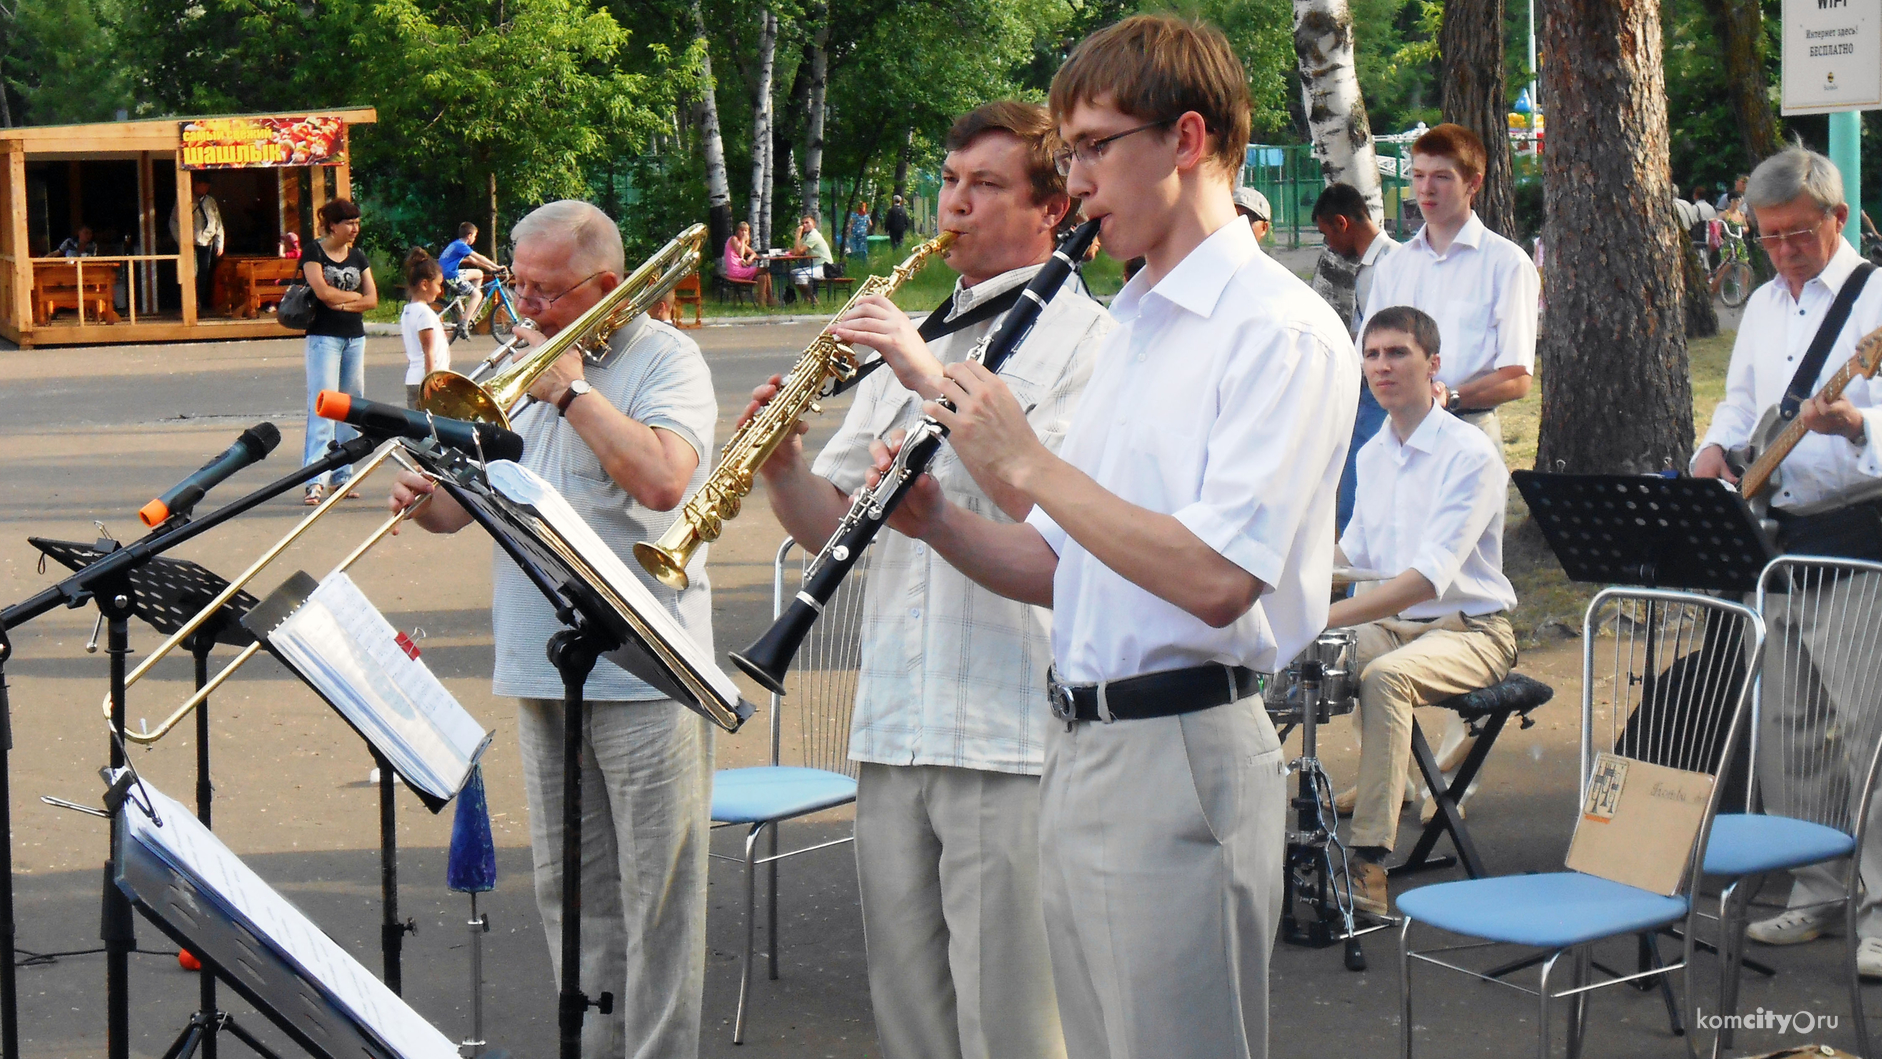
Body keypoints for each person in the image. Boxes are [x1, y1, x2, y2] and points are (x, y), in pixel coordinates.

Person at [873, 17, 1356, 1058]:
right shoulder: (1133, 320)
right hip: (1082, 743)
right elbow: (1063, 568)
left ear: (1185, 139)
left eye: (1092, 147)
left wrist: (1026, 465)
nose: (1074, 178)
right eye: (1067, 151)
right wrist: (938, 521)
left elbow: (1220, 580)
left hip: (1182, 746)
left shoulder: (1275, 329)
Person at [746, 99, 1113, 1059]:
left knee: (1012, 1023)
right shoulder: (919, 329)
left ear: (1050, 210)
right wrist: (781, 465)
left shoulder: (1090, 343)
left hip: (1009, 726)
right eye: (949, 183)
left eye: (985, 186)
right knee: (907, 1011)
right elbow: (841, 531)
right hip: (895, 716)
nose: (954, 205)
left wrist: (920, 375)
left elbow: (1058, 518)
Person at [388, 199, 717, 1057]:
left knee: (659, 900)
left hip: (646, 672)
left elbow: (662, 482)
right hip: (541, 664)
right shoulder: (520, 369)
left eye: (542, 292)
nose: (522, 310)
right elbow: (464, 511)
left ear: (606, 287)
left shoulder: (665, 361)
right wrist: (426, 503)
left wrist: (570, 390)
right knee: (570, 896)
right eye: (516, 289)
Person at [1690, 144, 1882, 975]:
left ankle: (1881, 909)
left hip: (1860, 532)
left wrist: (1860, 426)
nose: (1780, 251)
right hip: (1778, 538)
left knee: (1869, 735)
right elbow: (1742, 400)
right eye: (1766, 237)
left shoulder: (1876, 298)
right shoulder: (1765, 302)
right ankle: (1817, 890)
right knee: (1789, 732)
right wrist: (1712, 448)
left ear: (1837, 217)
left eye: (1796, 234)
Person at [1325, 305, 1517, 915]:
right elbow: (1351, 555)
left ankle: (1368, 863)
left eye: (1397, 353)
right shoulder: (1373, 453)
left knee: (1384, 677)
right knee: (1307, 659)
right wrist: (1275, 585)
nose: (1381, 366)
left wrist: (1324, 615)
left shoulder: (1470, 453)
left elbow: (1424, 580)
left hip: (1475, 630)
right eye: (1372, 354)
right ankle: (1271, 836)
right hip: (1392, 627)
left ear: (1433, 364)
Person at [1361, 123, 1538, 463]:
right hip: (1399, 434)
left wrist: (1448, 397)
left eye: (1442, 177)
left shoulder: (1506, 263)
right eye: (1418, 175)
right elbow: (1367, 356)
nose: (1426, 189)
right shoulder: (1394, 266)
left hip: (1470, 432)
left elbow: (1517, 378)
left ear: (1474, 183)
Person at [1313, 182, 1401, 533]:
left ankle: (1353, 571)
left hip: (1380, 387)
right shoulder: (1368, 266)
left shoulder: (1392, 263)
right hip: (1365, 385)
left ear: (1341, 223)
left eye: (1326, 234)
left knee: (1357, 477)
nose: (1328, 244)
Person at [300, 198, 376, 505]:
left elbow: (371, 298)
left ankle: (343, 474)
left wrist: (343, 301)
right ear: (332, 225)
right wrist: (351, 297)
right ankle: (314, 479)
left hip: (354, 338)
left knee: (349, 407)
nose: (355, 229)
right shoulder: (313, 252)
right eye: (349, 223)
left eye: (357, 223)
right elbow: (321, 291)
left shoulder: (357, 255)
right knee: (323, 406)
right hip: (323, 337)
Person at [400, 248, 449, 409]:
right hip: (427, 381)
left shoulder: (408, 310)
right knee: (430, 430)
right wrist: (430, 380)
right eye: (438, 285)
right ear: (424, 284)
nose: (439, 290)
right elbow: (428, 351)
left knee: (417, 430)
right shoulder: (424, 313)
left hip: (415, 379)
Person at [169, 179, 224, 312]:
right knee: (190, 273)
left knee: (203, 274)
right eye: (202, 184)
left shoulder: (210, 201)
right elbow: (173, 222)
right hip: (190, 243)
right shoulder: (185, 199)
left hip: (206, 242)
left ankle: (201, 302)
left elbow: (218, 222)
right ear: (196, 185)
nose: (204, 187)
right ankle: (190, 304)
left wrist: (220, 242)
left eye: (207, 185)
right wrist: (182, 241)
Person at [440, 222, 504, 329]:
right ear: (469, 236)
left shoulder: (456, 244)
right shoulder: (461, 246)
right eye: (474, 236)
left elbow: (475, 261)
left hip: (446, 274)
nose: (474, 238)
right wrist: (497, 267)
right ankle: (464, 323)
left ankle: (472, 302)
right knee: (478, 295)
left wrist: (491, 269)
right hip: (452, 276)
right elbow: (479, 257)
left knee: (479, 274)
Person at [792, 214, 833, 302]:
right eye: (803, 223)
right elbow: (796, 251)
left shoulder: (814, 235)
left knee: (800, 277)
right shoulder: (807, 235)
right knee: (793, 273)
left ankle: (813, 300)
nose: (804, 225)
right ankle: (807, 298)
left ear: (814, 224)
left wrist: (798, 235)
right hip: (816, 266)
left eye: (807, 222)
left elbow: (798, 252)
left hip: (825, 267)